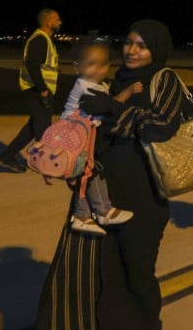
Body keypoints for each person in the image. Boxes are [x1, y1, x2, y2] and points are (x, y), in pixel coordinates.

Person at [9, 19, 187, 330]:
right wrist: (65, 161)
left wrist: (114, 109)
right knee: (96, 277)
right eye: (129, 42)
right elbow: (87, 132)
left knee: (137, 270)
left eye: (142, 45)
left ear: (157, 48)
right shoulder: (111, 81)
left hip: (145, 196)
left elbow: (162, 127)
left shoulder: (163, 81)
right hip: (100, 194)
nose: (133, 50)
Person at [59, 40, 138, 236]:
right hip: (75, 139)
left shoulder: (95, 85)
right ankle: (103, 211)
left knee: (86, 176)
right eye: (91, 64)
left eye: (102, 64)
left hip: (82, 138)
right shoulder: (85, 86)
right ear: (77, 67)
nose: (97, 69)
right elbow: (108, 106)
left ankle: (82, 216)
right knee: (91, 174)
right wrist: (128, 92)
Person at [0, 8, 62, 172]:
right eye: (57, 19)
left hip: (40, 89)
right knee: (43, 128)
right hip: (37, 90)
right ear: (48, 22)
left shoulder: (45, 39)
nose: (60, 22)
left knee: (33, 127)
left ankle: (7, 156)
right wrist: (43, 89)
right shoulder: (39, 40)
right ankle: (43, 162)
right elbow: (32, 66)